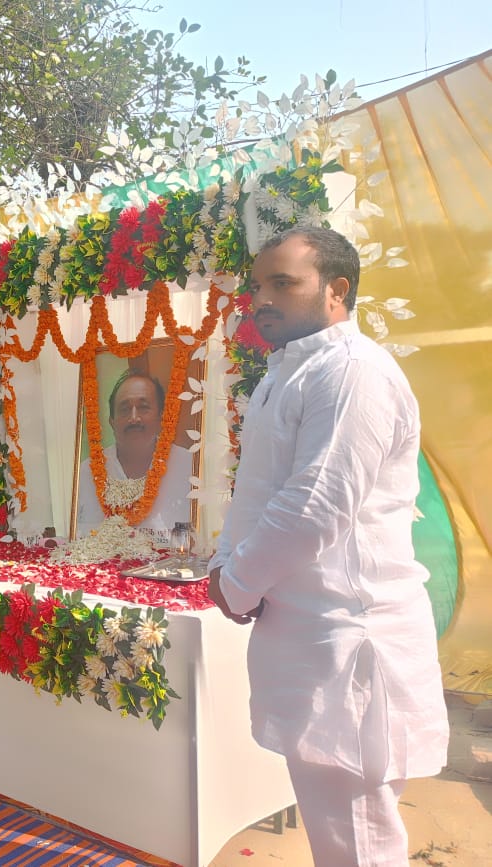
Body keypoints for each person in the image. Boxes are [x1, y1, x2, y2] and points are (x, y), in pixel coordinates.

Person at [207, 227, 449, 865]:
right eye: (258, 285)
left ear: (337, 290)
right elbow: (258, 492)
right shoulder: (290, 370)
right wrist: (227, 564)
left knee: (357, 841)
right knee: (340, 831)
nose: (262, 298)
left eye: (283, 283)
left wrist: (236, 582)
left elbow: (316, 505)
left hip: (347, 639)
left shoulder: (351, 372)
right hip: (309, 633)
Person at [74, 370, 192, 537]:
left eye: (143, 408)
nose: (134, 418)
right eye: (124, 409)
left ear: (161, 417)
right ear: (112, 422)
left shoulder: (189, 468)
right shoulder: (85, 475)